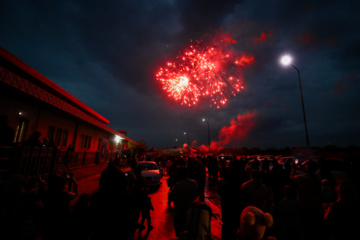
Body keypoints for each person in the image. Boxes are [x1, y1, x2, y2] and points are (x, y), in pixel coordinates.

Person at [290, 159, 324, 240]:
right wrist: (303, 168)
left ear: (308, 168)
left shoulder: (303, 178)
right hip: (316, 207)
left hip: (304, 207)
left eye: (305, 166)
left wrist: (293, 168)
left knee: (304, 230)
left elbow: (292, 177)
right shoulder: (318, 178)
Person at [168, 166, 199, 237]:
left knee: (179, 235)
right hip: (191, 214)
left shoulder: (177, 185)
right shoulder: (194, 183)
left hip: (180, 214)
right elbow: (197, 194)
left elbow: (171, 197)